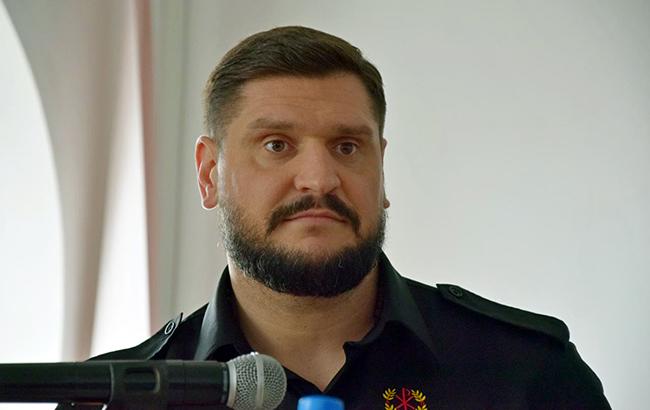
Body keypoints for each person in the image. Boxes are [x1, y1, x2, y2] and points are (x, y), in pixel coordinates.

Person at [65, 26, 610, 409]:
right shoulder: (115, 399)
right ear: (210, 174)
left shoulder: (528, 374)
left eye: (347, 147)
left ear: (381, 170)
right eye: (277, 145)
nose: (320, 179)